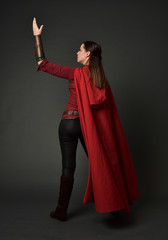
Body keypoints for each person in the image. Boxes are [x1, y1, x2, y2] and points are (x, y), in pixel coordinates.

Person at [32, 17, 139, 221]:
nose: (77, 52)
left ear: (88, 54)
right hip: (86, 126)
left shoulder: (75, 73)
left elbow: (42, 64)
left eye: (80, 49)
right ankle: (114, 206)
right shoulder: (101, 79)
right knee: (101, 161)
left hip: (67, 124)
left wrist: (37, 37)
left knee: (67, 166)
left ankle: (61, 210)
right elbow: (105, 115)